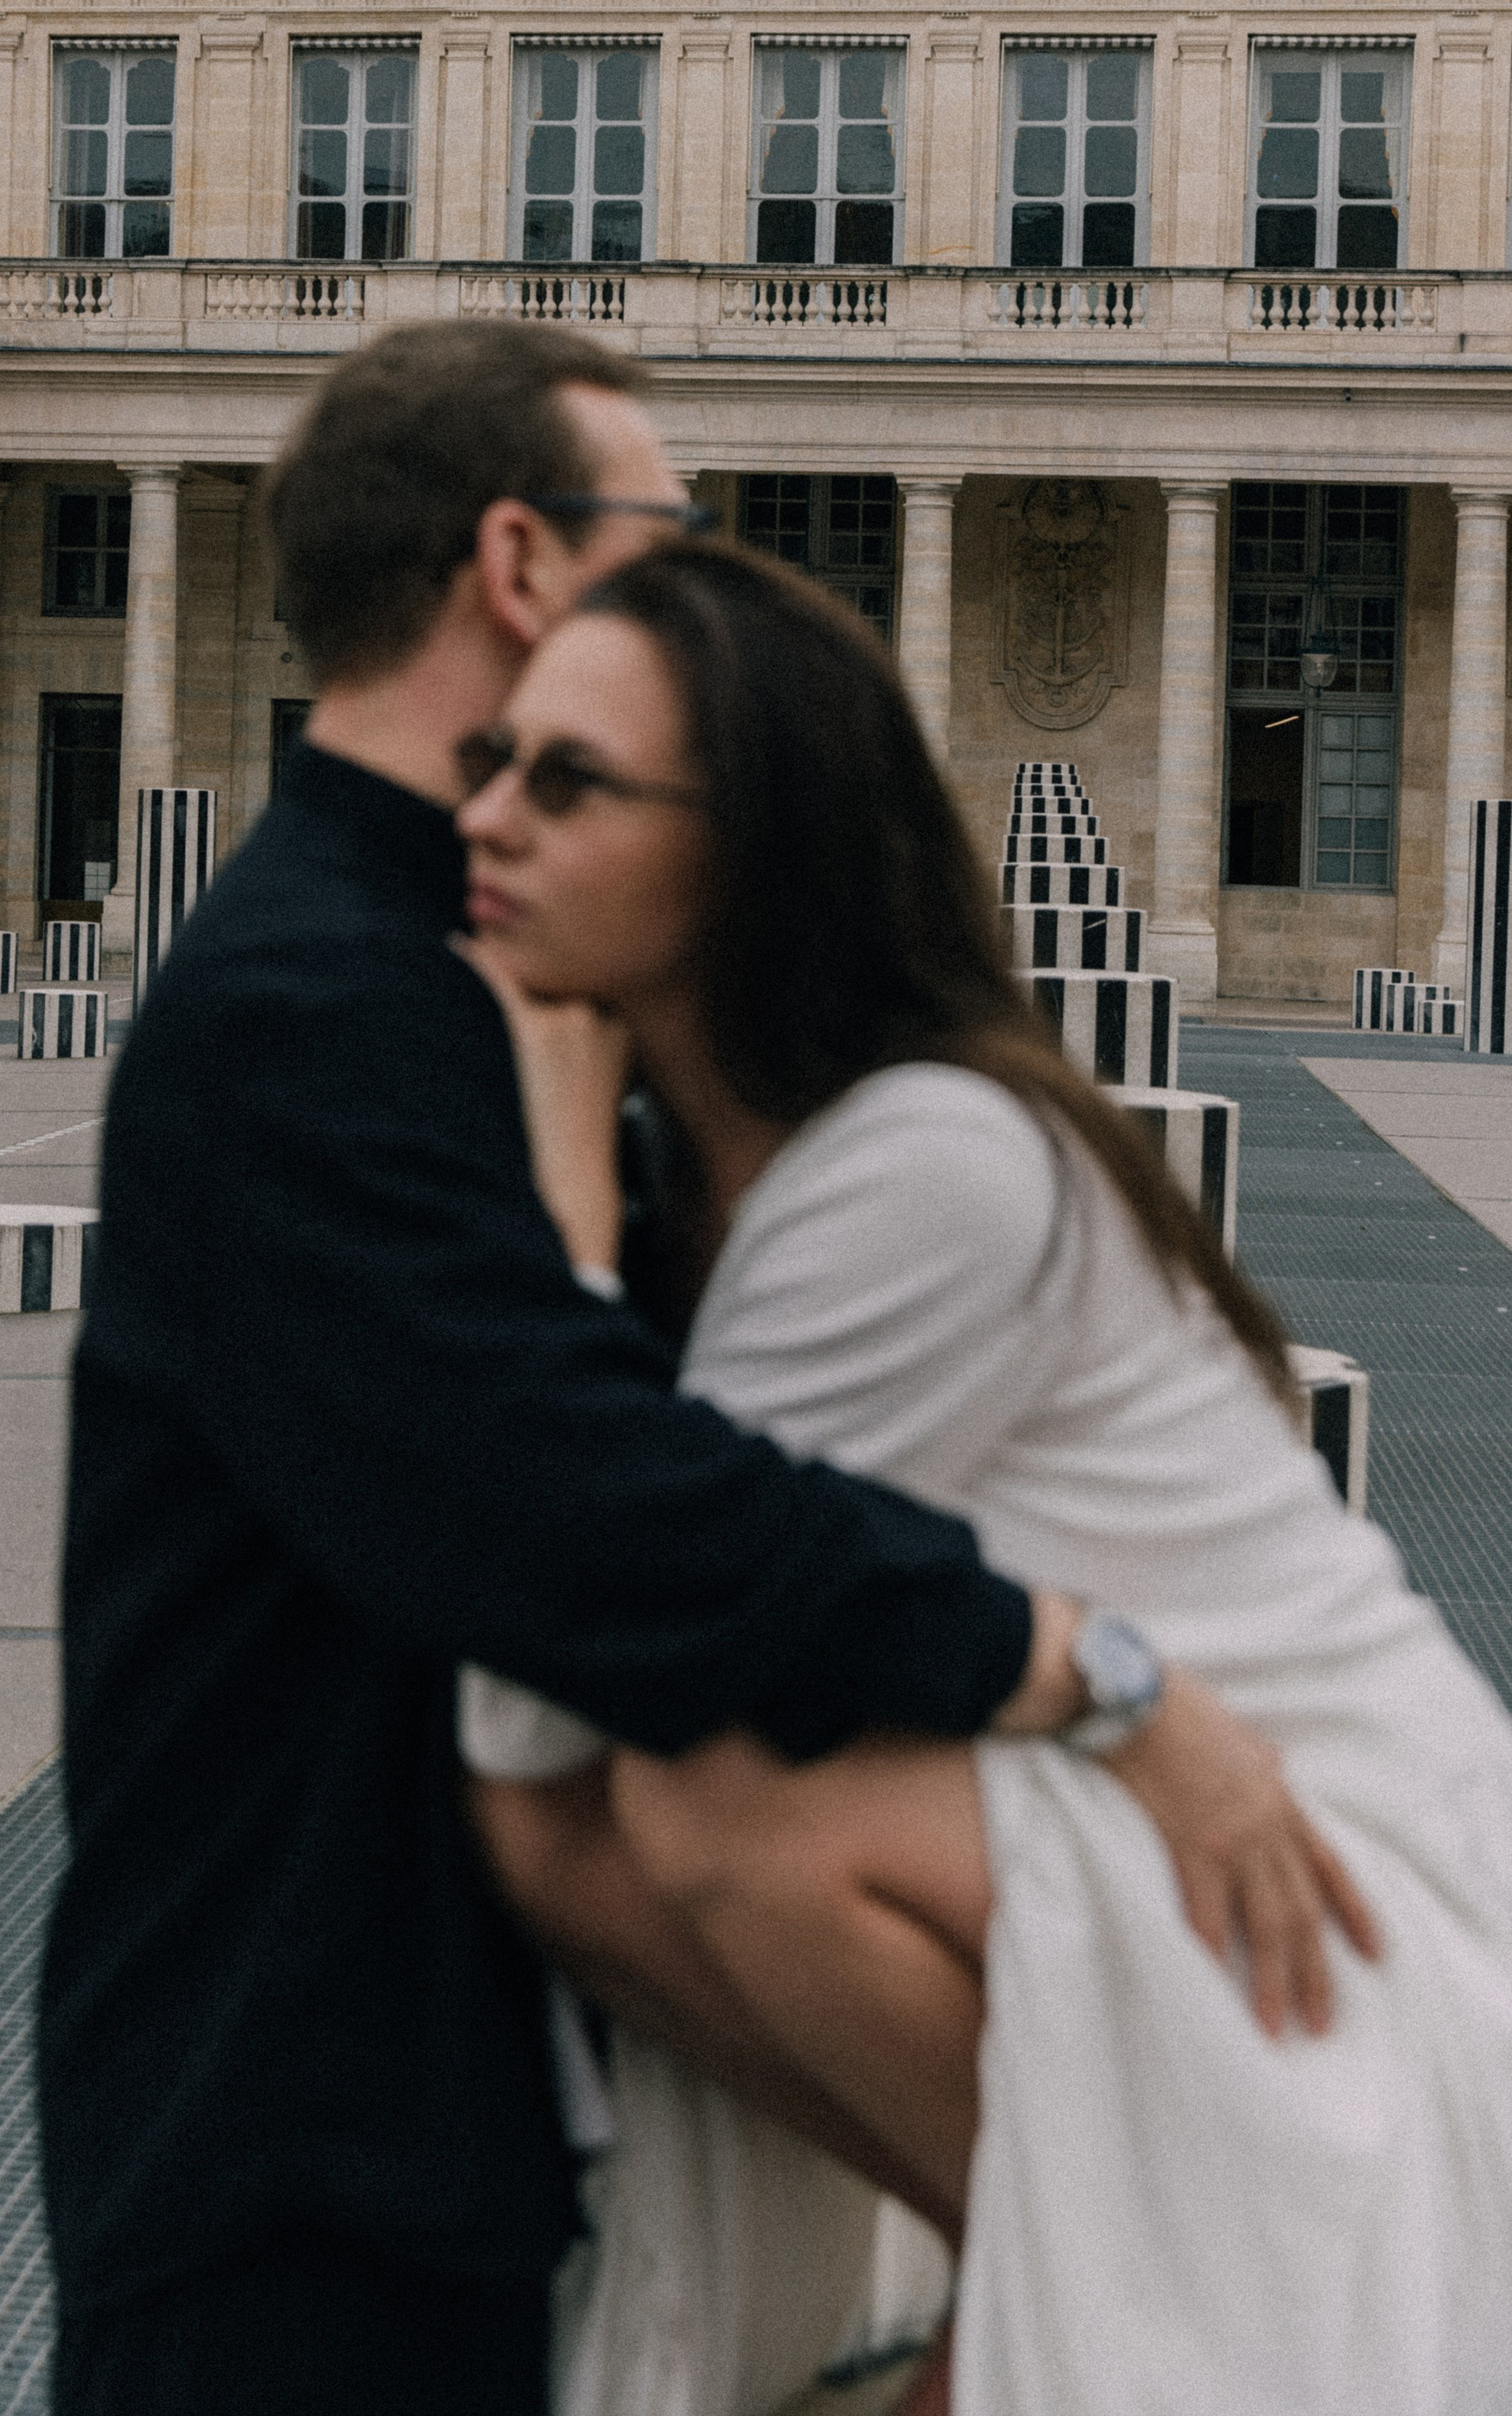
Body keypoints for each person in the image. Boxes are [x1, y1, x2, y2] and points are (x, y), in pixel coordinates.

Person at [38, 321, 1368, 2416]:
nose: (692, 577)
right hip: (312, 2125)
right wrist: (1091, 1674)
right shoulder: (324, 998)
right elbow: (580, 1518)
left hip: (463, 2108)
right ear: (521, 564)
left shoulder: (517, 983)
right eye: (662, 530)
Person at [456, 537, 1512, 2416]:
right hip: (1153, 1805)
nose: (489, 818)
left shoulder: (916, 1162)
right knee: (607, 1815)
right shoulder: (742, 1156)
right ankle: (1034, 2253)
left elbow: (582, 1661)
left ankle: (1084, 2270)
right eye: (491, 759)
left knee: (701, 1806)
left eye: (565, 780)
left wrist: (556, 1232)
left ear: (746, 847)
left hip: (1327, 1877)